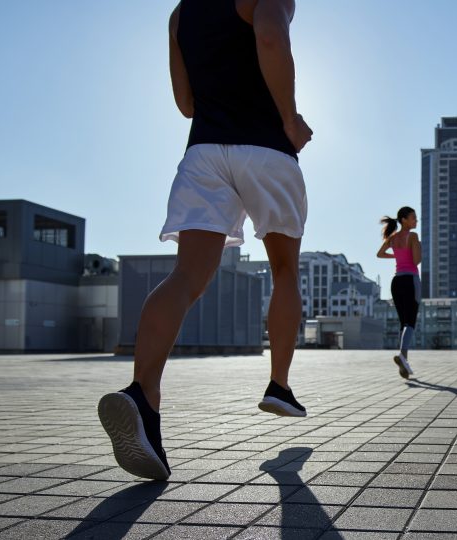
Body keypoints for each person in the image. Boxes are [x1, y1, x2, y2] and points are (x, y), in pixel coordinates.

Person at [98, 0, 314, 481]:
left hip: (203, 154)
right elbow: (271, 39)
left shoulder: (180, 13)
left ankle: (141, 396)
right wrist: (290, 117)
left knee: (186, 276)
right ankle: (279, 384)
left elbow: (186, 104)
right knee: (284, 271)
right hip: (266, 149)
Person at [377, 207, 421, 380]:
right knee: (410, 322)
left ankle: (404, 363)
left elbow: (379, 254)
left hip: (396, 282)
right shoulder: (413, 237)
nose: (416, 221)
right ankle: (402, 356)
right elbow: (416, 260)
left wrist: (396, 257)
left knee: (404, 323)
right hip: (411, 280)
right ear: (404, 220)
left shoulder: (393, 237)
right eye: (413, 218)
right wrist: (418, 247)